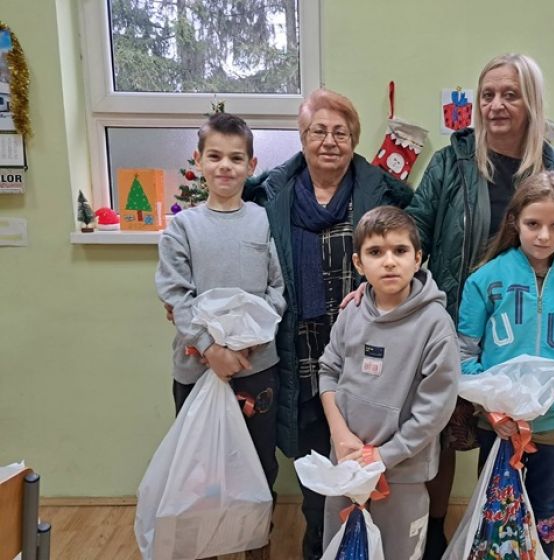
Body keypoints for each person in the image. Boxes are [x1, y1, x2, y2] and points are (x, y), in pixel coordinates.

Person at [403, 53, 554, 558]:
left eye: (510, 95)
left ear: (531, 102)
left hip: (524, 334)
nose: (496, 105)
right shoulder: (451, 161)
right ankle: (437, 534)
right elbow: (415, 229)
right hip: (457, 324)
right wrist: (380, 285)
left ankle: (511, 537)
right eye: (488, 95)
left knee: (515, 448)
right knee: (445, 436)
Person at [242, 89, 413, 559]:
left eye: (341, 132)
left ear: (354, 140)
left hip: (364, 355)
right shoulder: (270, 195)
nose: (330, 141)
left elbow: (411, 252)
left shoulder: (382, 193)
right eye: (319, 131)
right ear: (302, 138)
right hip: (298, 353)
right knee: (316, 469)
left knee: (365, 464)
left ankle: (361, 546)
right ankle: (319, 545)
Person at [156, 112, 285, 560]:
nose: (225, 166)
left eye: (235, 158)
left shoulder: (263, 222)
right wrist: (211, 348)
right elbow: (176, 293)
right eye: (215, 157)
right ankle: (205, 547)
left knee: (257, 462)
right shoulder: (182, 227)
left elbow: (276, 290)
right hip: (197, 369)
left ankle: (255, 545)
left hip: (256, 367)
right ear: (198, 161)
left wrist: (249, 341)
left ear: (252, 164)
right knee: (201, 469)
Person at [458, 170, 554, 559]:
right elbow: (464, 355)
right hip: (500, 426)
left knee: (546, 507)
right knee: (496, 509)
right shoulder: (485, 280)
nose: (544, 235)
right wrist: (490, 410)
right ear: (514, 222)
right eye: (533, 224)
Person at [318, 206, 460, 560]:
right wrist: (340, 434)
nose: (389, 262)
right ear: (358, 263)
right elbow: (328, 371)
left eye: (400, 250)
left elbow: (435, 409)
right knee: (340, 546)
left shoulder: (435, 324)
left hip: (402, 474)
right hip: (347, 462)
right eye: (376, 252)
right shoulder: (351, 312)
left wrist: (384, 455)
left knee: (398, 551)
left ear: (418, 258)